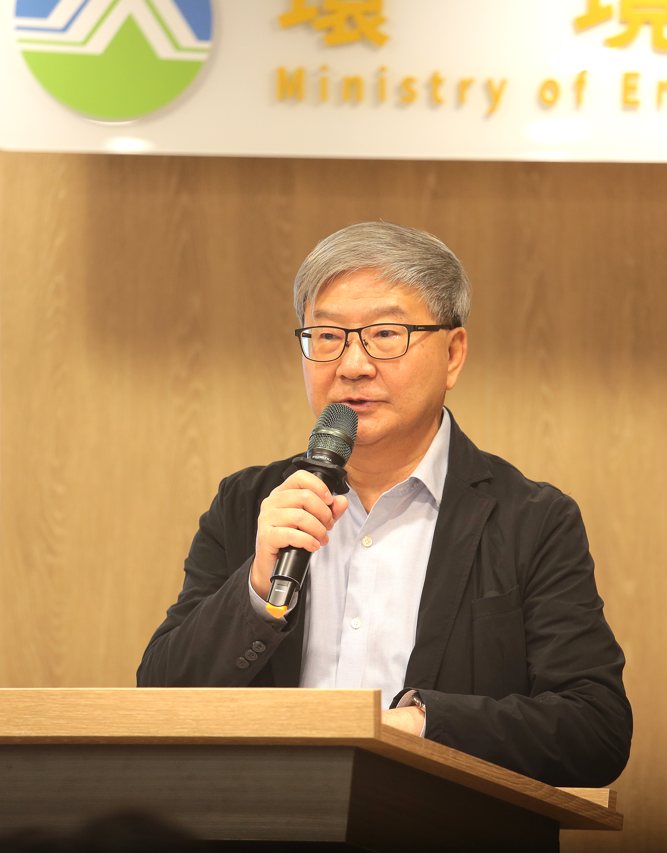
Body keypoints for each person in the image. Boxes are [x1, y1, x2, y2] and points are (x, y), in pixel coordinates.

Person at [137, 221, 631, 787]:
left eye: (386, 334)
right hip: (270, 818)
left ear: (453, 354)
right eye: (327, 336)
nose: (352, 365)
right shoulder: (250, 504)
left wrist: (422, 726)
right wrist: (254, 591)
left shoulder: (531, 520)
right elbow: (159, 698)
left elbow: (595, 729)